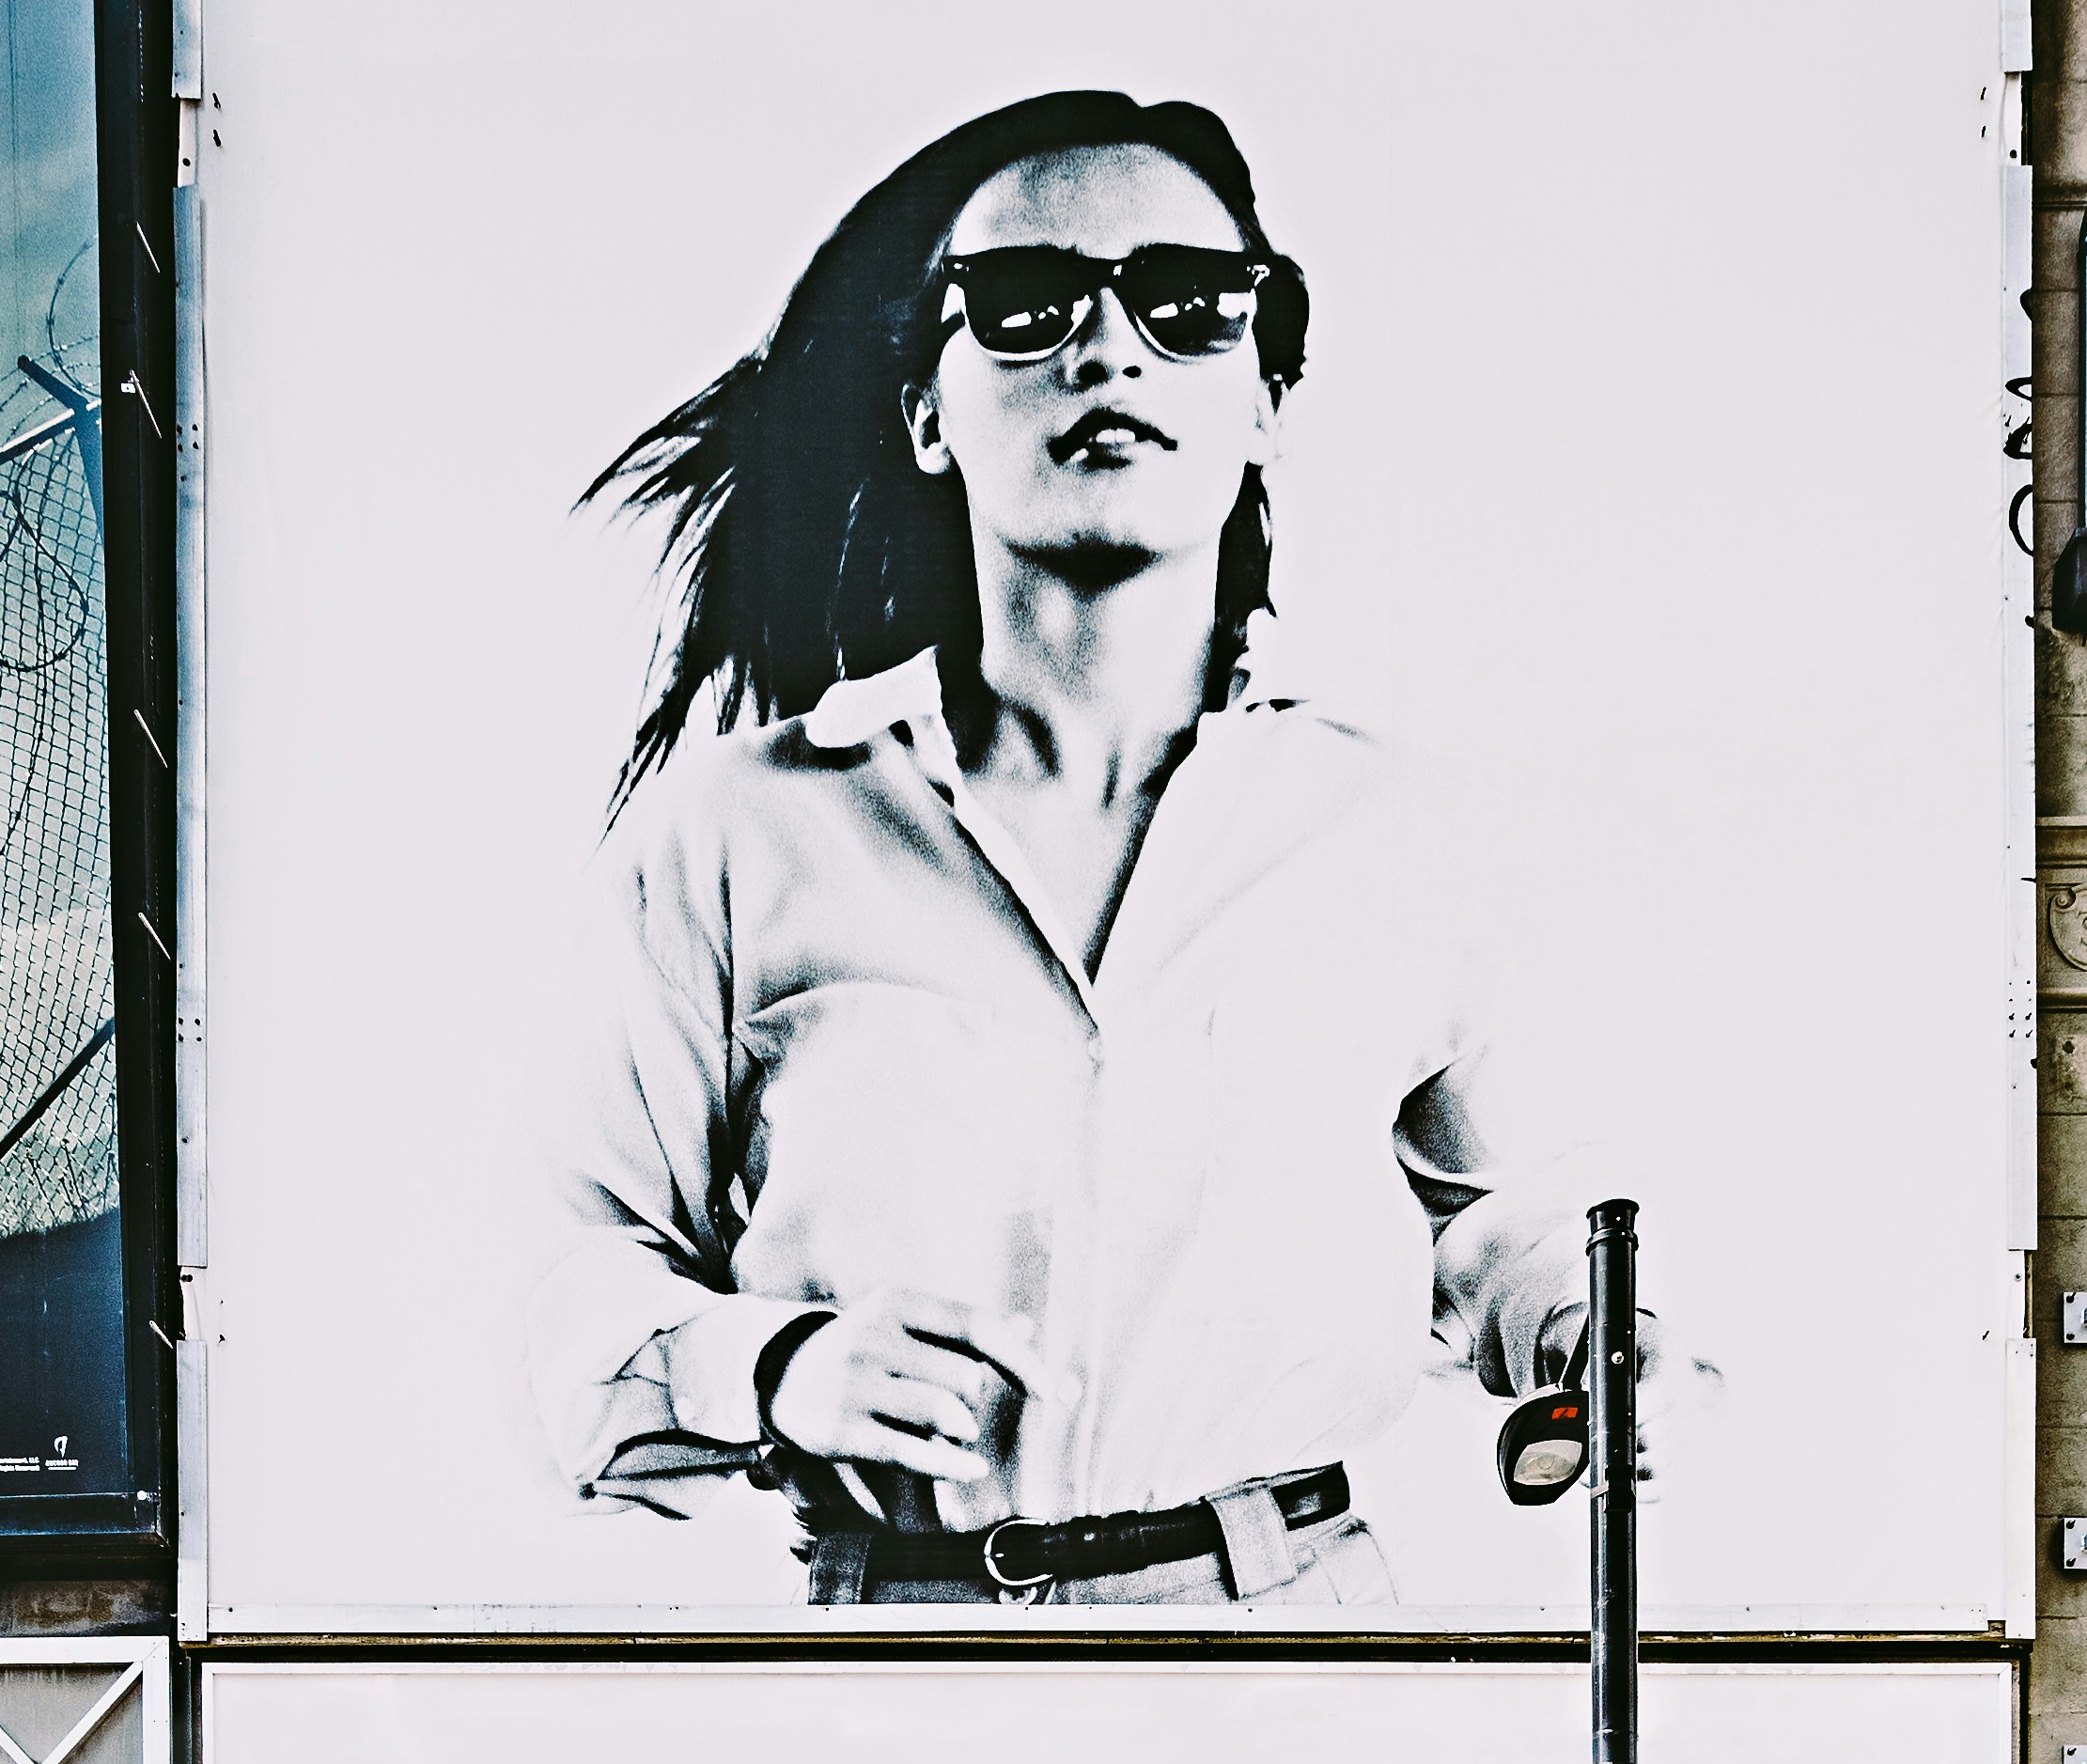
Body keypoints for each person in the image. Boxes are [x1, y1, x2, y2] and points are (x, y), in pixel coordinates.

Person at [530, 89, 1612, 1620]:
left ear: (1264, 401)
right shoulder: (739, 830)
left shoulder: (1394, 833)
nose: (1107, 350)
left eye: (1186, 305)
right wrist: (776, 1363)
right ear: (924, 409)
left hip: (1299, 1668)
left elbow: (1499, 1215)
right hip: (890, 1674)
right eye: (1029, 304)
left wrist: (1575, 1320)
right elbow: (564, 1282)